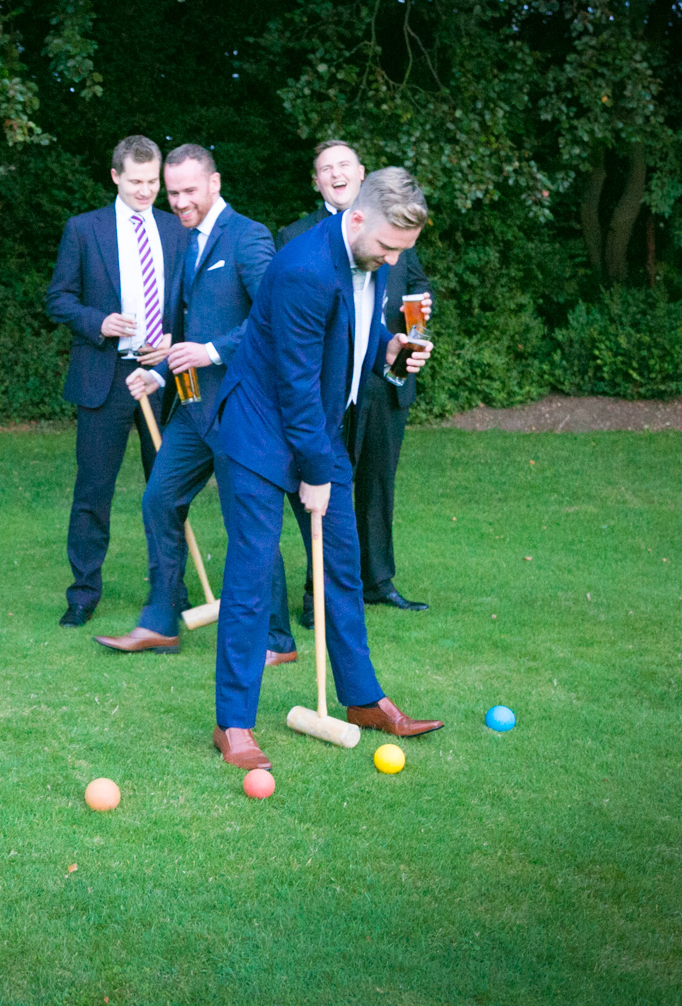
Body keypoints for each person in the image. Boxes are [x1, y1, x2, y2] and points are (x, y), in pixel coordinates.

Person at [208, 167, 444, 771]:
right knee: (252, 575)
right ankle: (232, 722)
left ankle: (362, 699)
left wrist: (388, 348)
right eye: (388, 246)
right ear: (355, 217)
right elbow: (295, 383)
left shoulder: (370, 257)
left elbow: (355, 331)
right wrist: (316, 474)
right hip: (260, 432)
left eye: (403, 250)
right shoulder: (304, 270)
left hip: (317, 428)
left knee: (342, 562)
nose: (394, 260)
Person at [93, 144, 291, 659]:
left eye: (189, 191)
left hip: (241, 409)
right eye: (173, 192)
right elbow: (184, 329)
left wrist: (211, 351)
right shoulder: (188, 241)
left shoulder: (247, 236)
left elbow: (274, 318)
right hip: (194, 408)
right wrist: (158, 374)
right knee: (159, 500)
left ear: (214, 184)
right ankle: (160, 622)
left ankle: (276, 638)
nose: (179, 202)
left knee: (247, 521)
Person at [283, 141, 434, 612]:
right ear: (317, 181)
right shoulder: (300, 241)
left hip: (380, 380)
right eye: (326, 168)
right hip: (324, 389)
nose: (336, 173)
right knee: (323, 490)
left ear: (361, 173)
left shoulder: (393, 239)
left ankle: (375, 582)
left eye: (344, 164)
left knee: (376, 486)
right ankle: (318, 592)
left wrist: (403, 334)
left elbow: (410, 285)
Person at [44, 135, 185, 627]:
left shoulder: (177, 229)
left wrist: (174, 340)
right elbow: (58, 299)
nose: (146, 191)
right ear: (115, 177)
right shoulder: (84, 229)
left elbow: (192, 301)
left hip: (162, 376)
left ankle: (170, 589)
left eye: (153, 182)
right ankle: (83, 593)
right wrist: (98, 322)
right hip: (106, 377)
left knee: (168, 488)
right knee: (93, 492)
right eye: (136, 181)